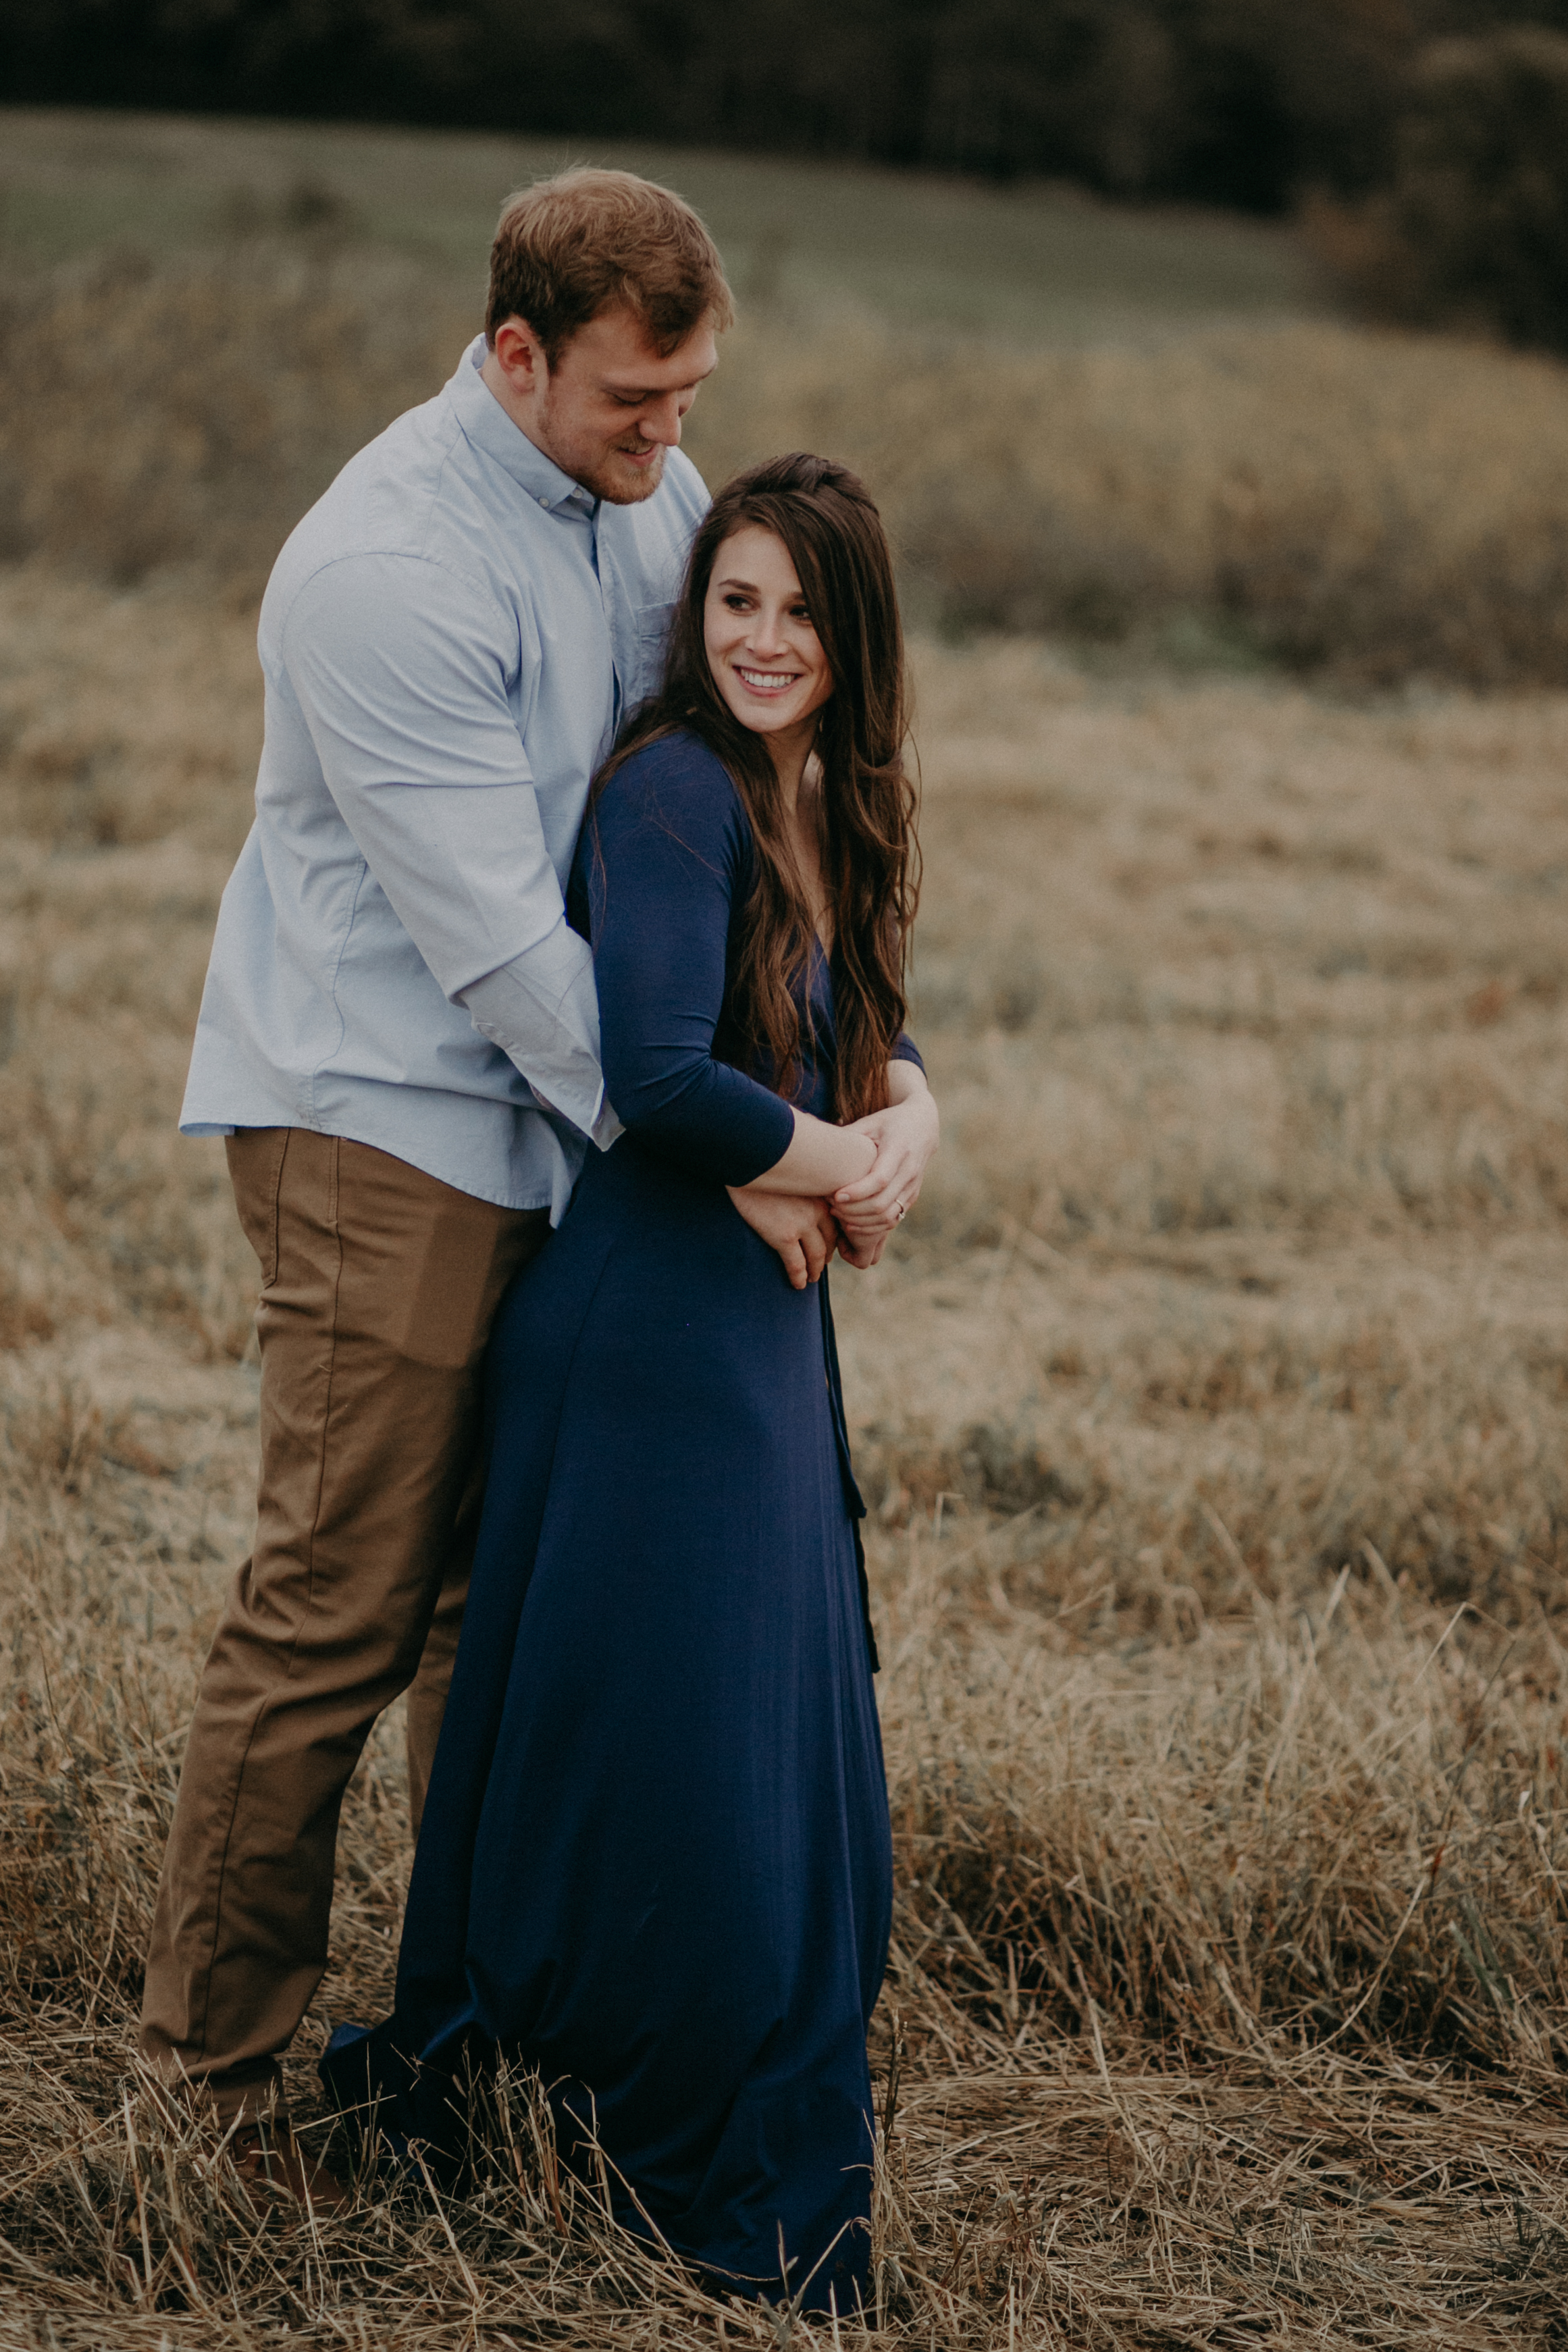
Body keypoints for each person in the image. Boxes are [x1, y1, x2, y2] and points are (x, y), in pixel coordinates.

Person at [139, 168, 879, 2197]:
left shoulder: (647, 490)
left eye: (692, 396)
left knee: (518, 1620)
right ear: (516, 354)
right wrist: (737, 1147)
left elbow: (714, 805)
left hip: (584, 1132)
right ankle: (204, 2100)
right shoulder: (380, 566)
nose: (672, 447)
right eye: (639, 402)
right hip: (387, 1114)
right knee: (341, 1604)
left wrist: (826, 1079)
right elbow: (502, 956)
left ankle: (476, 2046)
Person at [321, 452, 938, 2315]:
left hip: (751, 1318)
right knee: (679, 1730)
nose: (758, 639)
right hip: (651, 1328)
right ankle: (620, 2080)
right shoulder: (676, 788)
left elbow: (864, 1031)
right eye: (731, 601)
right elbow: (659, 1074)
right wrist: (839, 1163)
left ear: (851, 639)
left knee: (744, 1710)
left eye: (795, 611)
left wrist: (917, 1116)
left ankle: (656, 2042)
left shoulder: (825, 797)